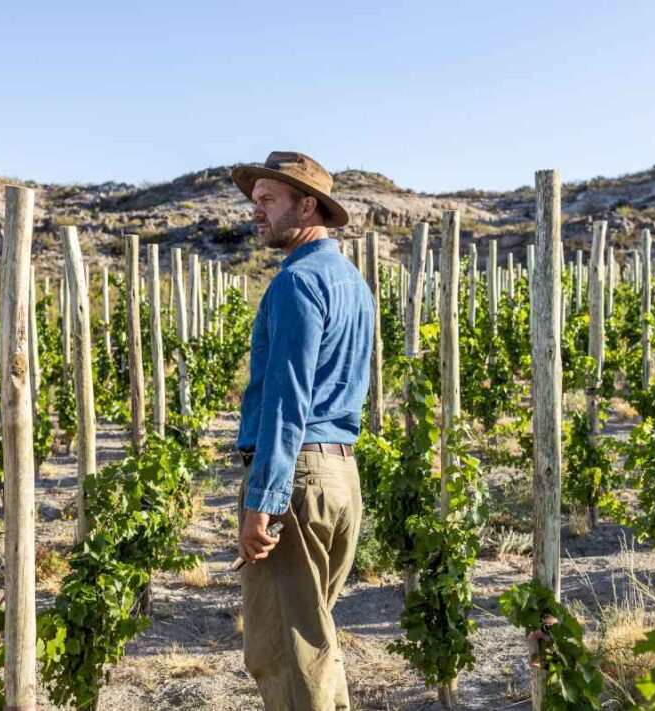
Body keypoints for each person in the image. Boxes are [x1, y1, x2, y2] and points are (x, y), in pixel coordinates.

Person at [232, 151, 375, 711]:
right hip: (339, 479)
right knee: (315, 645)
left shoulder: (297, 283)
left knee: (285, 656)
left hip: (296, 480)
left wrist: (261, 502)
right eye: (255, 201)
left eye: (268, 200)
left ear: (307, 204)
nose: (256, 212)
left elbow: (286, 402)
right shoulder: (351, 283)